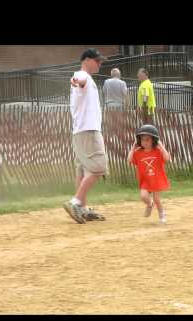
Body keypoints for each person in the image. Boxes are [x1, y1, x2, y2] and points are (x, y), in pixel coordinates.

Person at [63, 48, 107, 224]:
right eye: (97, 61)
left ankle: (82, 208)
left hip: (80, 130)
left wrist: (76, 80)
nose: (100, 64)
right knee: (98, 167)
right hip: (89, 130)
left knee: (83, 169)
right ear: (87, 60)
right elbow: (78, 80)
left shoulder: (85, 77)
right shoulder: (83, 76)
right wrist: (76, 80)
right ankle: (75, 202)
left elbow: (78, 81)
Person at [127, 124, 170, 224]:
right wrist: (133, 148)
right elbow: (129, 160)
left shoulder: (157, 151)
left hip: (156, 179)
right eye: (142, 140)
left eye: (147, 140)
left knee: (157, 199)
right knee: (143, 196)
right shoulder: (138, 153)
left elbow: (167, 158)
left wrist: (161, 146)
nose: (144, 142)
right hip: (145, 180)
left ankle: (161, 213)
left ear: (154, 141)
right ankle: (149, 204)